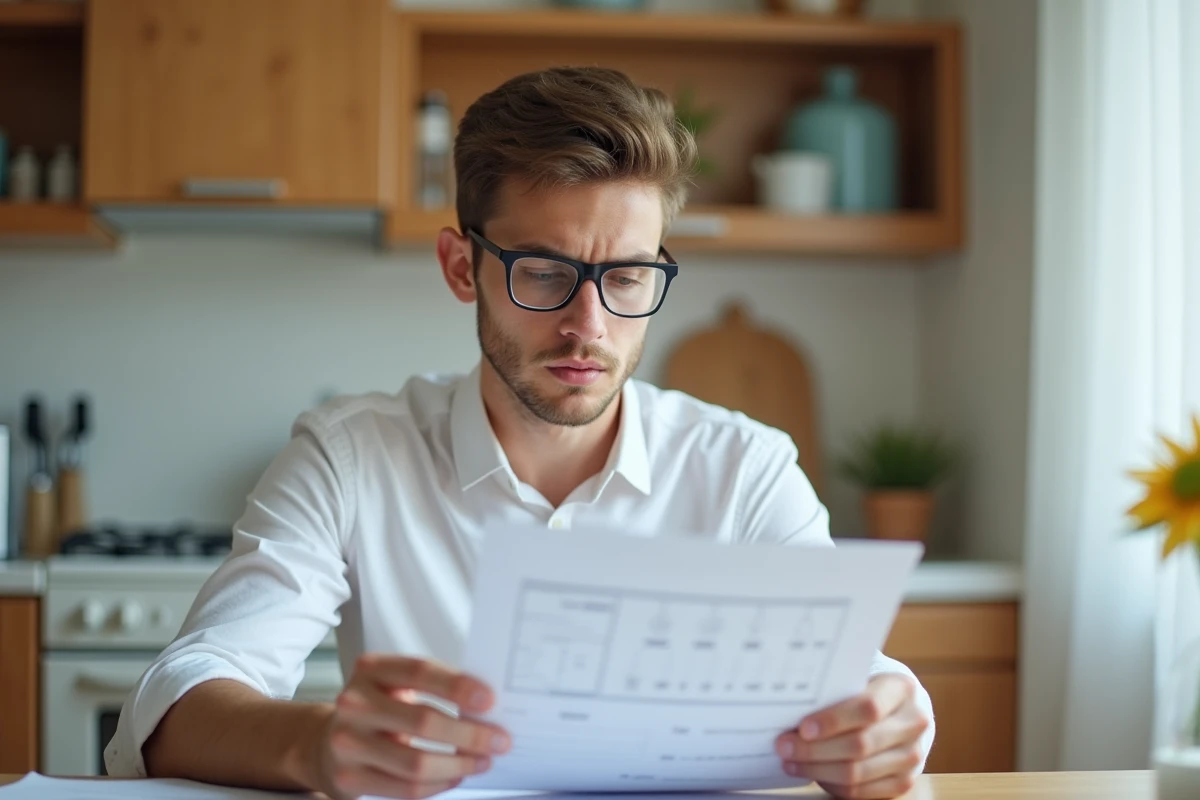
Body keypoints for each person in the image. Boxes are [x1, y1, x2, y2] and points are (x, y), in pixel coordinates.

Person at [105, 66, 934, 800]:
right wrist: (317, 746)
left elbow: (856, 678)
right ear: (463, 267)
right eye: (545, 272)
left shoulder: (745, 468)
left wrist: (888, 724)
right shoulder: (351, 456)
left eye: (628, 277)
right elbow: (182, 697)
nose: (590, 324)